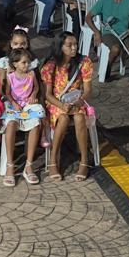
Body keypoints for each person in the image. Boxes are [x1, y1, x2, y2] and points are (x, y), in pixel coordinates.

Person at [40, 33, 95, 182]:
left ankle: (84, 161)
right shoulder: (50, 66)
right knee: (63, 118)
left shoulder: (84, 62)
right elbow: (48, 95)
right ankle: (53, 159)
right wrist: (62, 105)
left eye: (75, 44)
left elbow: (88, 90)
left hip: (76, 101)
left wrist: (79, 101)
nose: (74, 48)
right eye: (69, 45)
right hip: (56, 102)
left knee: (79, 118)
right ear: (60, 47)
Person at [0, 47, 46, 186]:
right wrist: (14, 103)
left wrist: (33, 95)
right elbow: (7, 93)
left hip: (27, 104)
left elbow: (36, 87)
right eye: (24, 62)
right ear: (15, 64)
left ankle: (29, 165)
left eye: (28, 62)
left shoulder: (31, 74)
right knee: (11, 124)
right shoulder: (10, 77)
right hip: (14, 105)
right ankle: (10, 165)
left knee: (36, 123)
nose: (27, 65)